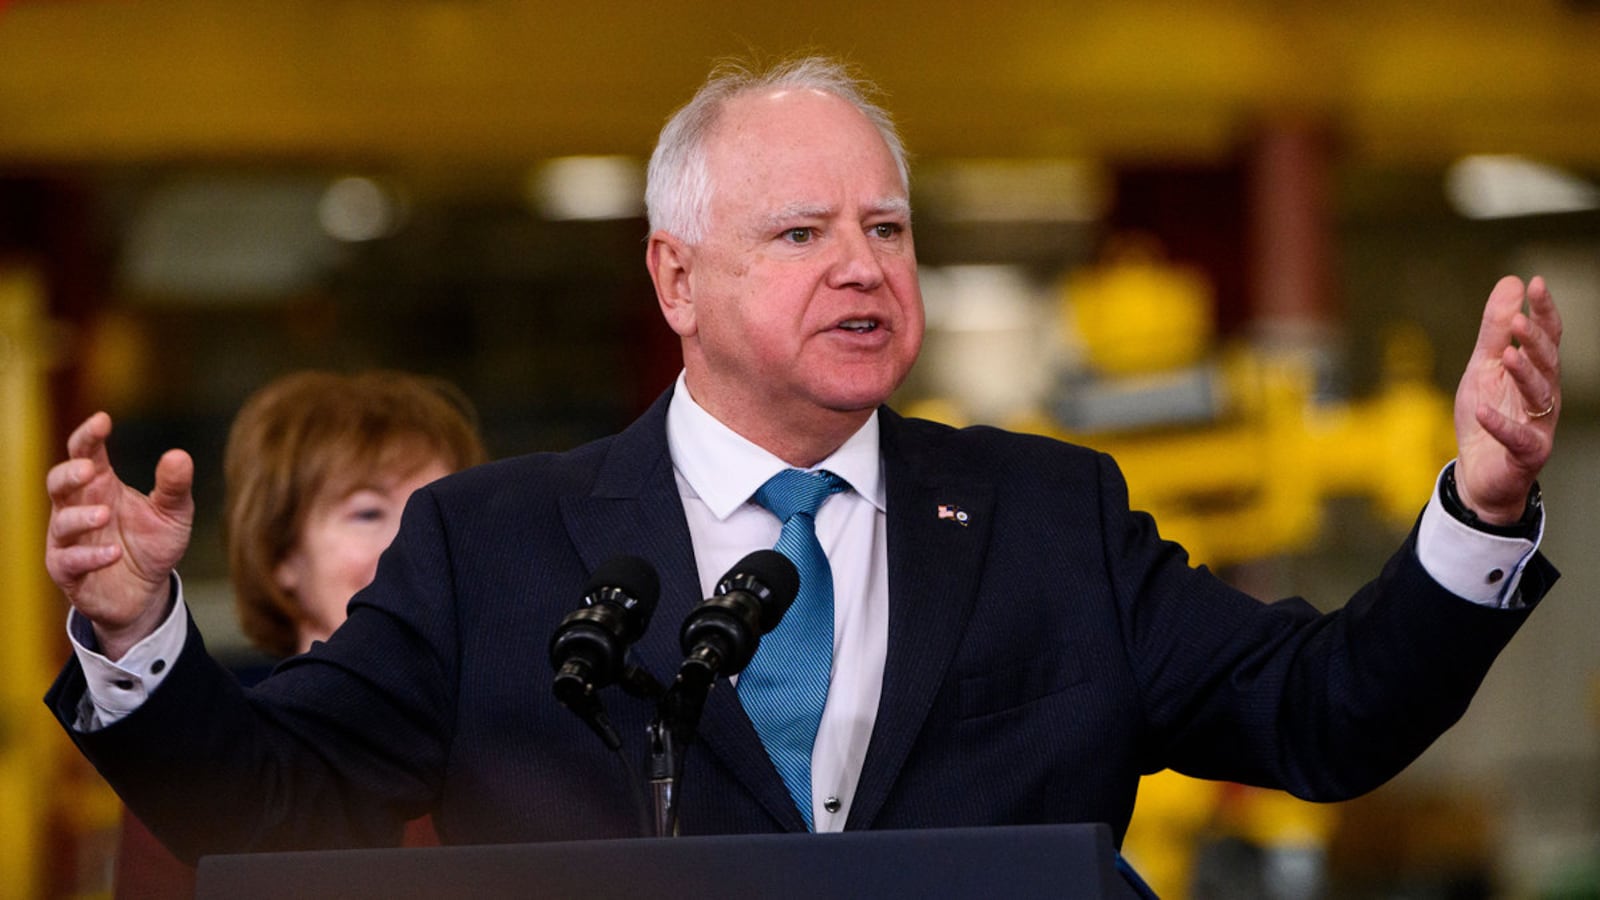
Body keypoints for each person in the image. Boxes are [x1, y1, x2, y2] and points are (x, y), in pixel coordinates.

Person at [45, 57, 1562, 865]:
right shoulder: (489, 549)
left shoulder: (1049, 518)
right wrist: (134, 632)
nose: (863, 266)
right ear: (675, 280)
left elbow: (1323, 717)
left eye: (887, 229)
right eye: (801, 232)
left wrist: (1480, 511)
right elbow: (267, 805)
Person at [108, 369, 488, 897]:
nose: (414, 545)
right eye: (369, 512)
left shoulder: (511, 752)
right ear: (281, 551)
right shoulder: (205, 766)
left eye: (437, 515)